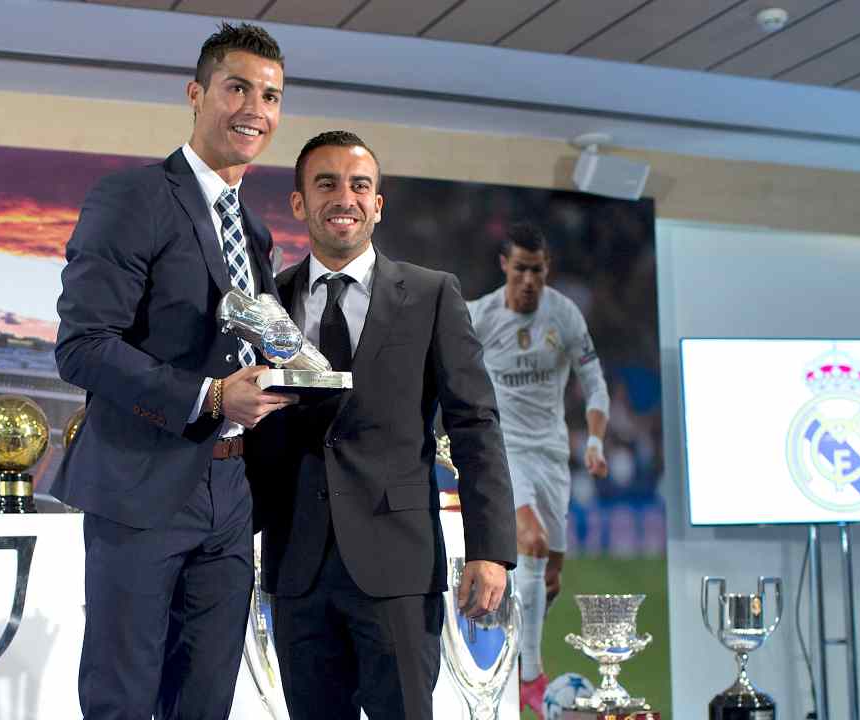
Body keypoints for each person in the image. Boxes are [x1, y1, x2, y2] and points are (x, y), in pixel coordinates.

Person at [51, 23, 296, 720]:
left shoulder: (254, 232)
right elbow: (83, 346)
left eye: (271, 96)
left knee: (206, 703)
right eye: (238, 87)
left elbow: (258, 346)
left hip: (231, 492)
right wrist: (212, 395)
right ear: (196, 94)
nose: (255, 108)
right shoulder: (133, 197)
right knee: (123, 698)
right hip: (141, 487)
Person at [247, 130, 516, 720]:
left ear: (377, 204)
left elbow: (475, 425)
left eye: (359, 185)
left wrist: (490, 549)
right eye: (326, 184)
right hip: (297, 565)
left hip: (398, 566)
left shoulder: (430, 294)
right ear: (299, 203)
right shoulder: (269, 300)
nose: (344, 197)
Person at [466, 222, 610, 718]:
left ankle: (514, 644)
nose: (530, 279)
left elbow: (594, 382)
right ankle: (531, 678)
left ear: (547, 269)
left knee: (549, 577)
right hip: (504, 449)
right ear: (506, 266)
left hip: (552, 453)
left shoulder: (564, 315)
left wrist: (593, 439)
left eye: (539, 270)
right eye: (521, 268)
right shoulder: (479, 316)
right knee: (530, 541)